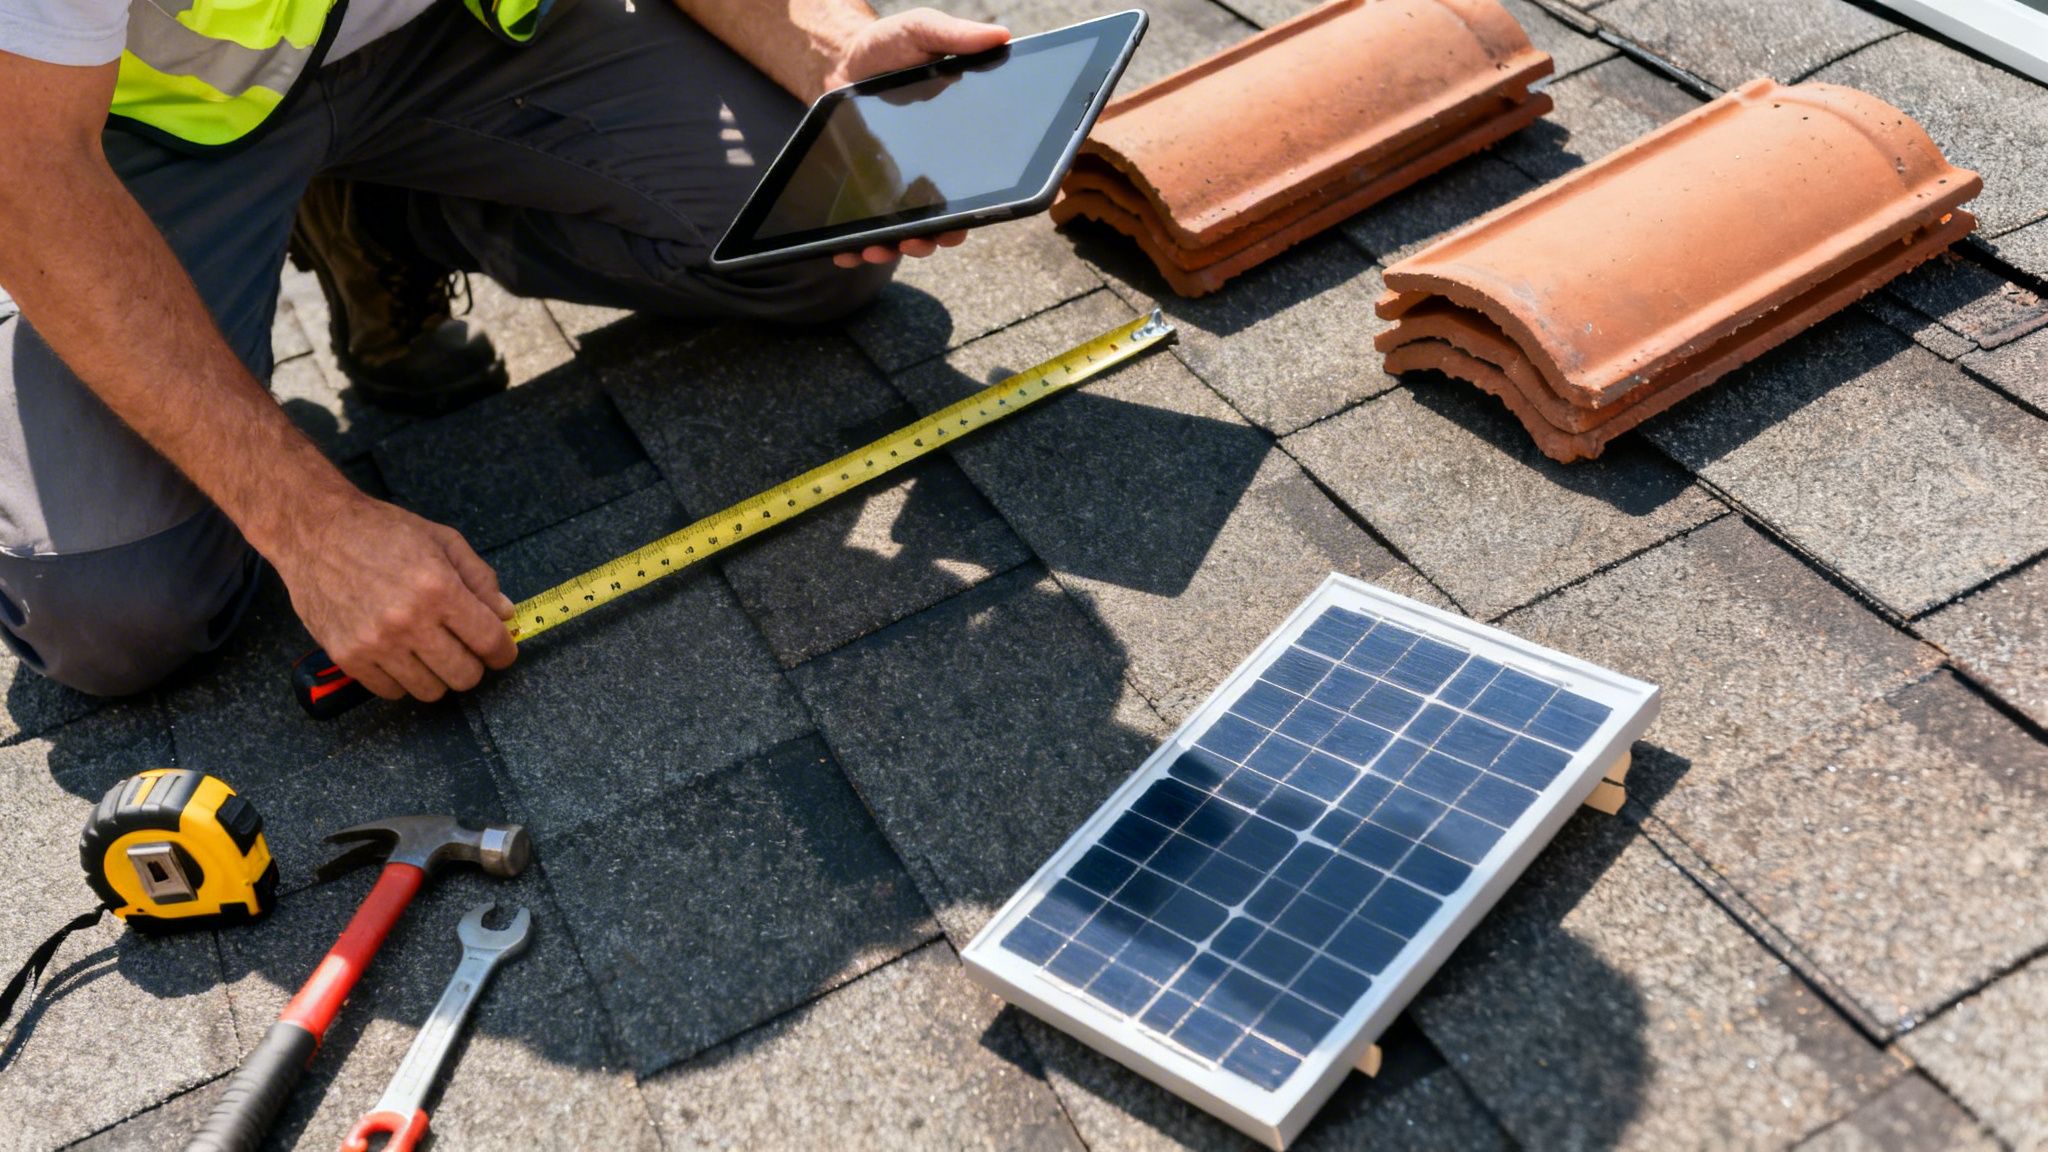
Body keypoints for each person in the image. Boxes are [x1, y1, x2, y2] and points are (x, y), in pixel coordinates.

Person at [0, 0, 1007, 702]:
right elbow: (29, 169)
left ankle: (375, 216)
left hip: (452, 38)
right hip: (138, 132)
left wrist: (832, 53)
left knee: (819, 236)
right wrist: (309, 524)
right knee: (116, 611)